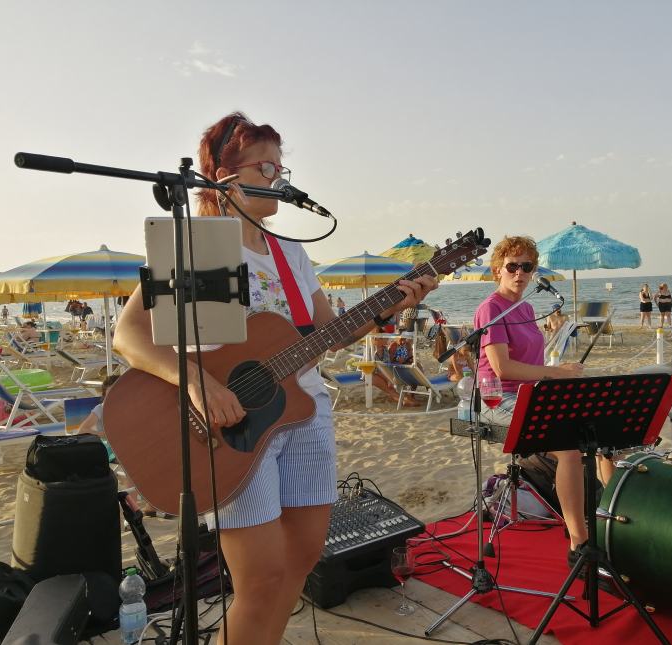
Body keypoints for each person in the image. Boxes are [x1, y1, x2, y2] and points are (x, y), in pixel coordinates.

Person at [112, 111, 436, 645]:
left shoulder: (291, 253)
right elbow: (128, 336)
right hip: (230, 429)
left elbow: (327, 333)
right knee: (260, 576)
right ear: (223, 176)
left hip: (304, 412)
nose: (279, 177)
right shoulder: (198, 245)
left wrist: (388, 308)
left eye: (281, 165)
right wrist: (196, 381)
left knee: (300, 562)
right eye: (265, 166)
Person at [472, 235, 591, 567]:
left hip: (532, 394)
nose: (520, 273)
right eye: (513, 266)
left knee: (597, 430)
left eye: (527, 267)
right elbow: (503, 367)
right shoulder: (491, 309)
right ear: (498, 270)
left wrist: (556, 378)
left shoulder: (525, 308)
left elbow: (534, 368)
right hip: (499, 399)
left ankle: (609, 519)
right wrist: (555, 373)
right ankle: (578, 543)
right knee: (568, 449)